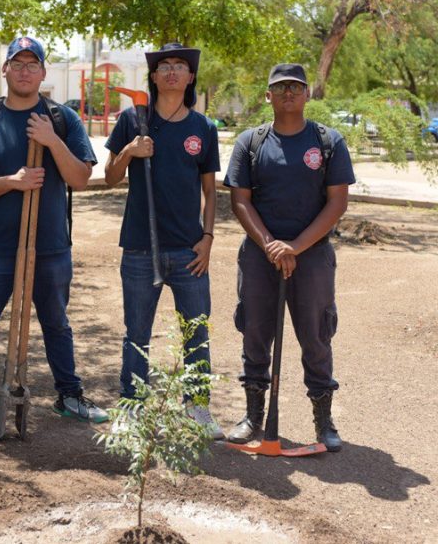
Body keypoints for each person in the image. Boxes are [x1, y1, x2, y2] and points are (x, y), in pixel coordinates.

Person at [0, 36, 107, 437]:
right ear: (5, 70)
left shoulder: (62, 120)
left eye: (33, 64)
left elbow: (80, 178)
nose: (25, 70)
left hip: (49, 246)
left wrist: (50, 141)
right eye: (18, 63)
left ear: (44, 73)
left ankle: (70, 396)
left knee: (57, 324)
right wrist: (11, 182)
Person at [222, 63, 354, 452]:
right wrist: (270, 245)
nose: (288, 93)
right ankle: (253, 417)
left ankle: (323, 420)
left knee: (316, 335)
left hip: (311, 257)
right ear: (268, 96)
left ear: (307, 94)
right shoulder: (251, 142)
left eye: (296, 87)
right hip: (260, 255)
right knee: (255, 333)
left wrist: (294, 247)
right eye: (280, 88)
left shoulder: (328, 141)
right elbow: (239, 201)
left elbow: (337, 203)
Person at [103, 43, 221, 438]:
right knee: (137, 333)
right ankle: (133, 406)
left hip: (189, 251)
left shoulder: (203, 128)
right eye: (164, 66)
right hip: (140, 246)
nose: (171, 72)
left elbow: (210, 190)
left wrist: (207, 238)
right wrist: (130, 152)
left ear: (190, 78)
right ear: (153, 76)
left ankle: (197, 407)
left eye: (180, 67)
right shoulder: (134, 119)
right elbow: (109, 177)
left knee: (196, 332)